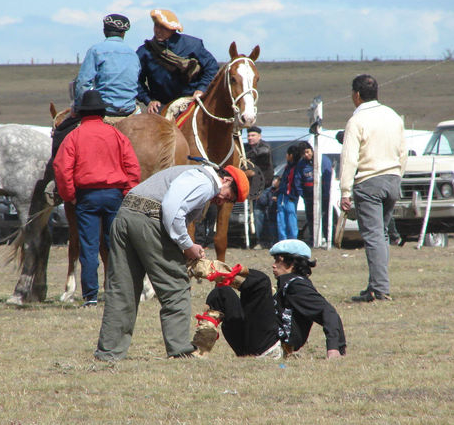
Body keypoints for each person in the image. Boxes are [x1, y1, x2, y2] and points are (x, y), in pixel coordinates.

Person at [94, 164, 250, 361]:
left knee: (122, 289)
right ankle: (179, 350)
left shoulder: (192, 173)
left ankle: (108, 352)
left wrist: (187, 245)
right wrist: (187, 246)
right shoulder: (206, 182)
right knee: (175, 287)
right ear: (226, 180)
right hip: (149, 220)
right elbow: (170, 208)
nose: (222, 201)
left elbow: (173, 213)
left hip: (125, 216)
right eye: (227, 196)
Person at [53, 90, 141, 307]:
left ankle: (90, 296)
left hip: (87, 197)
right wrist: (127, 191)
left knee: (89, 247)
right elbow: (132, 166)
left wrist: (70, 196)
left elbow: (61, 168)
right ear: (102, 113)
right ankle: (115, 292)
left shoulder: (74, 136)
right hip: (114, 196)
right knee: (116, 246)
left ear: (82, 113)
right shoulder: (116, 135)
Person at [189, 239, 346, 359]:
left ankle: (199, 266)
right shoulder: (285, 285)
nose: (273, 265)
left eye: (279, 260)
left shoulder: (298, 285)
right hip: (250, 347)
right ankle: (198, 351)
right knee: (222, 293)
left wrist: (334, 348)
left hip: (274, 349)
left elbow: (329, 312)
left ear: (292, 263)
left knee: (260, 281)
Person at [339, 74, 407, 303]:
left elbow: (349, 158)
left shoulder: (356, 121)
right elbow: (403, 151)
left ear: (356, 95)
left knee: (374, 236)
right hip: (392, 179)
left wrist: (345, 190)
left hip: (369, 181)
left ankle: (379, 288)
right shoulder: (393, 116)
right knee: (383, 234)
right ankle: (374, 284)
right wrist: (398, 175)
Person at [136, 9, 219, 114]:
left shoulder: (193, 45)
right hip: (161, 106)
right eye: (156, 26)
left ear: (173, 30)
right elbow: (135, 79)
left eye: (163, 28)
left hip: (191, 102)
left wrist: (201, 89)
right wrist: (149, 100)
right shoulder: (145, 51)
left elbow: (211, 68)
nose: (158, 30)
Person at [73, 14, 141, 120]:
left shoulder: (95, 50)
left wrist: (77, 107)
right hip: (131, 110)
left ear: (104, 31)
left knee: (62, 131)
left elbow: (83, 83)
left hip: (106, 110)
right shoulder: (133, 54)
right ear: (123, 33)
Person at [299, 141, 332, 246]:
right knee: (311, 219)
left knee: (325, 217)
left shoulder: (323, 160)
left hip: (323, 196)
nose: (306, 155)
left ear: (312, 150)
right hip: (308, 197)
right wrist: (302, 194)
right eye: (303, 153)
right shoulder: (301, 164)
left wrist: (325, 194)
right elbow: (298, 180)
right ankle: (314, 239)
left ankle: (328, 239)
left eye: (308, 152)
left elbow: (327, 178)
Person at [245, 126, 274, 246]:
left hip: (265, 187)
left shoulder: (264, 147)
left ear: (259, 136)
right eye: (249, 136)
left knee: (263, 213)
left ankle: (266, 240)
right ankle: (260, 240)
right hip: (252, 188)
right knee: (257, 214)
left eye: (253, 135)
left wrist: (248, 155)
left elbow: (264, 152)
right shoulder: (245, 147)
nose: (250, 138)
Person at [276, 145, 303, 240]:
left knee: (291, 218)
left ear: (291, 155)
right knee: (281, 219)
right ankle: (282, 240)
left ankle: (293, 239)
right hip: (282, 196)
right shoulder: (287, 167)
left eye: (287, 154)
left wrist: (294, 195)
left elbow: (296, 183)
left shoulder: (297, 168)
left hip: (291, 197)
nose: (286, 156)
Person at [254, 176, 280, 248]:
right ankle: (262, 242)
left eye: (276, 180)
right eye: (274, 180)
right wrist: (259, 196)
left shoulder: (281, 191)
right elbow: (263, 201)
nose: (274, 181)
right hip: (269, 212)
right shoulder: (269, 190)